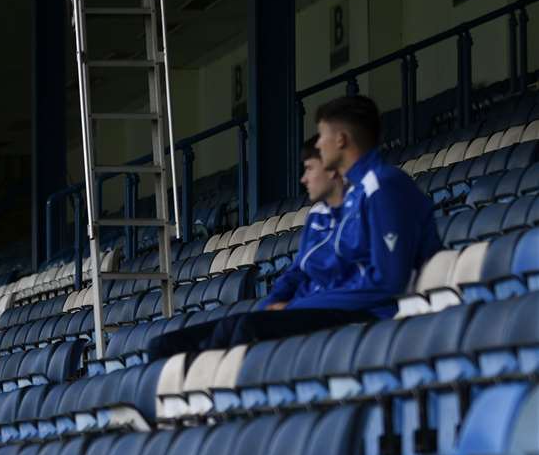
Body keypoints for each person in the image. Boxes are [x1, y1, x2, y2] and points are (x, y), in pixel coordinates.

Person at [152, 93, 440, 357]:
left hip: (370, 316)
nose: (317, 144)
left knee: (246, 331)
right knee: (166, 345)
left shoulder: (383, 187)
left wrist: (295, 307)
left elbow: (386, 283)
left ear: (341, 140)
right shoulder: (355, 194)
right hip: (338, 309)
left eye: (322, 136)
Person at [260, 137, 346, 310]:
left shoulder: (362, 210)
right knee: (230, 327)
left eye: (309, 169)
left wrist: (293, 307)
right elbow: (297, 270)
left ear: (330, 169)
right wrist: (269, 304)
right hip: (305, 305)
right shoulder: (316, 214)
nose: (303, 179)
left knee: (243, 329)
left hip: (326, 311)